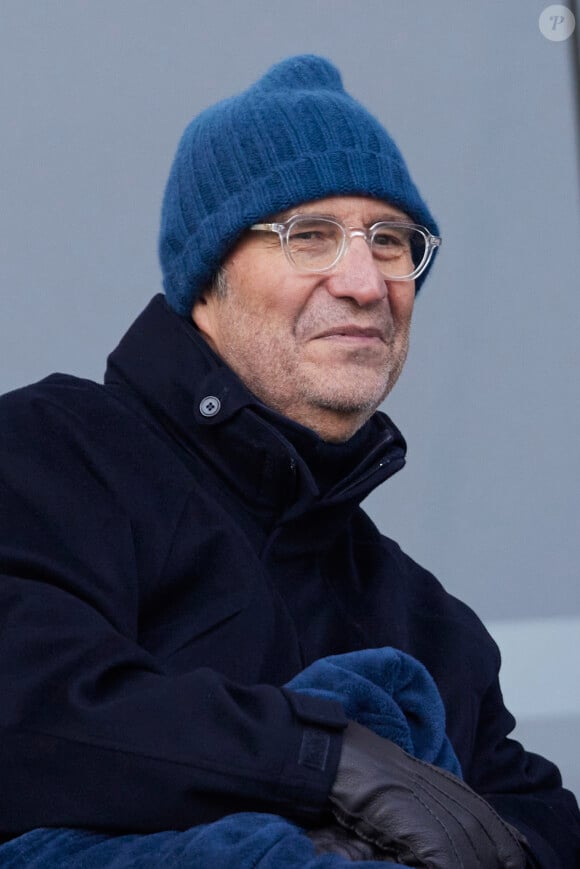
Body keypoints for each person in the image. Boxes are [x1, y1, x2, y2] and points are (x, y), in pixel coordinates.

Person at [0, 54, 578, 868]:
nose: (364, 281)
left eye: (391, 240)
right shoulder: (51, 452)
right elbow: (28, 711)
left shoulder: (428, 621)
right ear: (207, 284)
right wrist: (325, 762)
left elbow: (543, 824)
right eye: (308, 235)